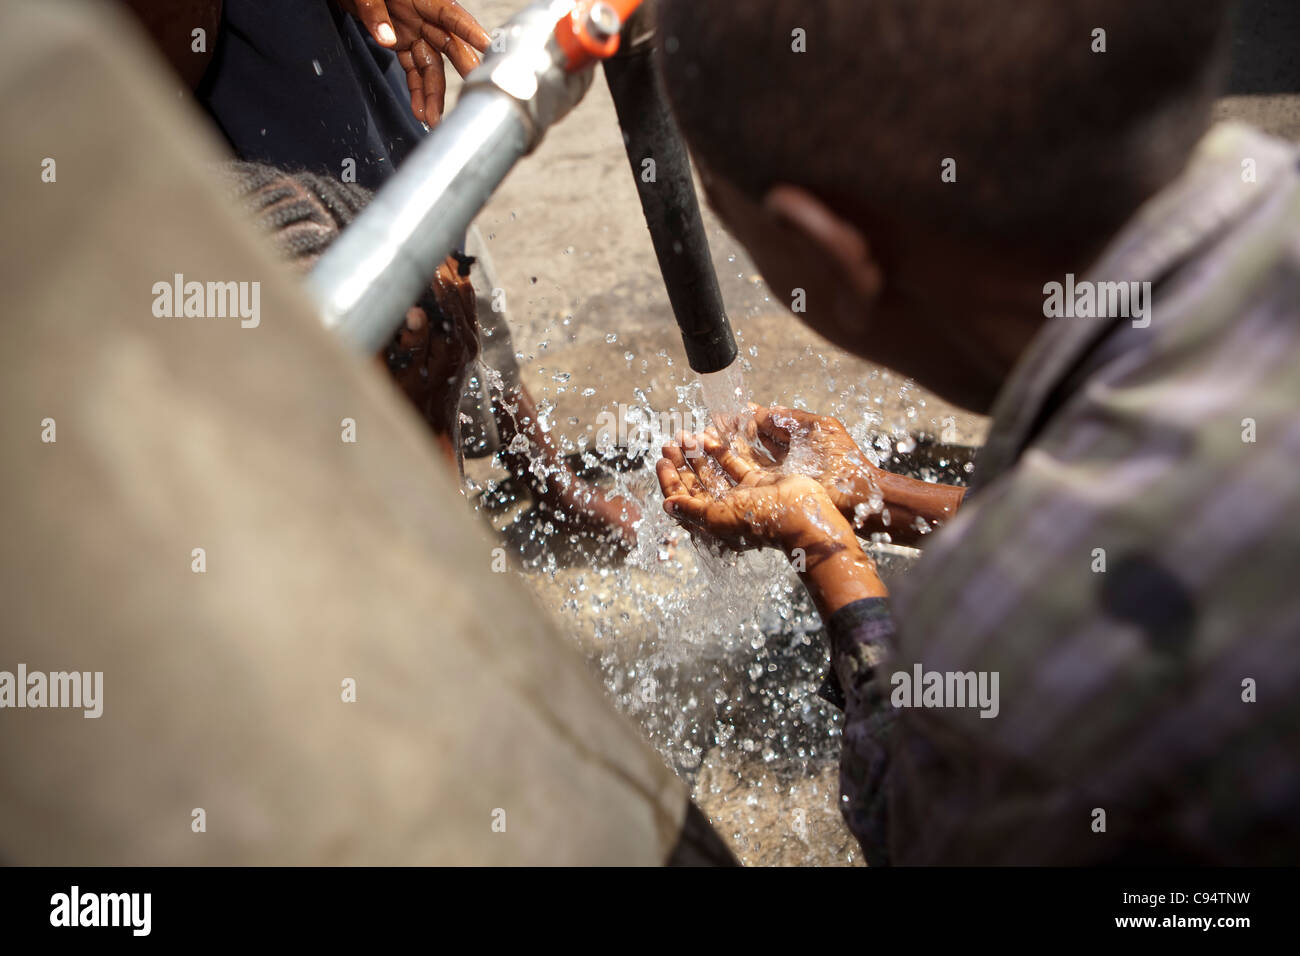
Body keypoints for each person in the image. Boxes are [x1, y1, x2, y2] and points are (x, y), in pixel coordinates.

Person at [653, 0, 1300, 864]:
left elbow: (910, 816)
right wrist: (876, 500)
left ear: (830, 257)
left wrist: (826, 548)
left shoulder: (999, 649)